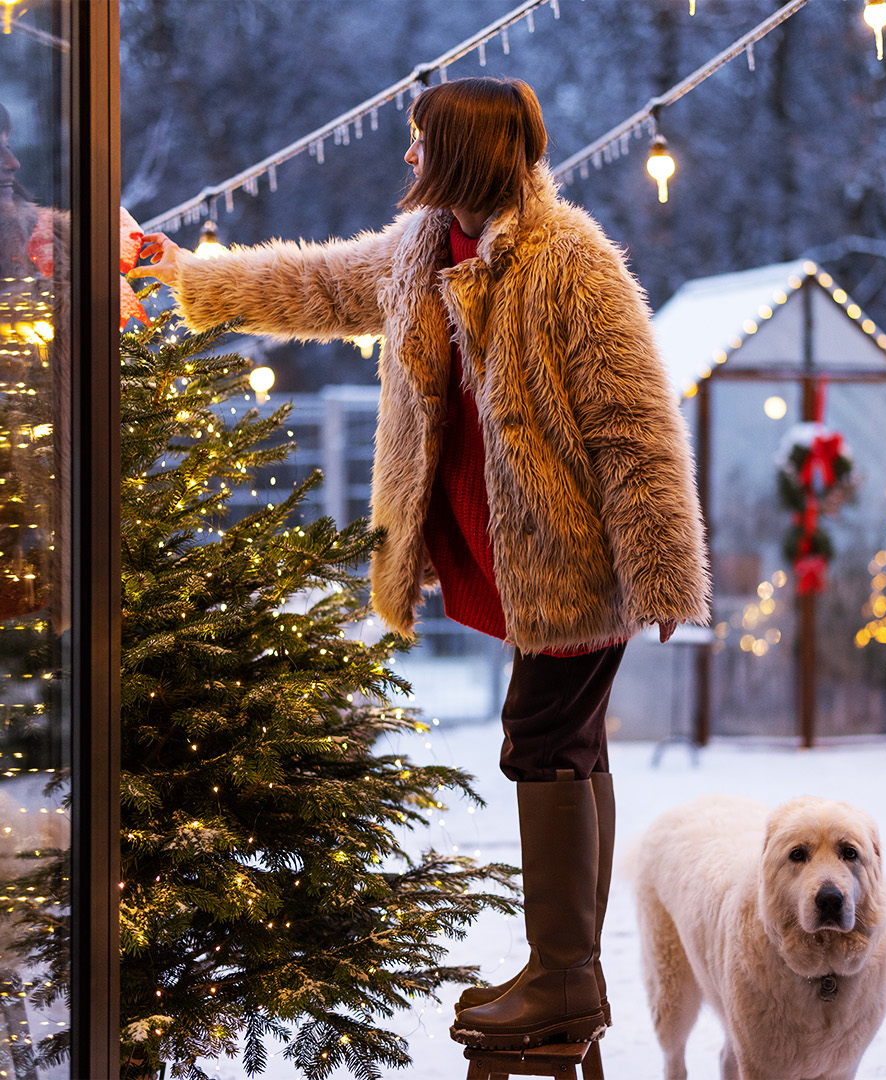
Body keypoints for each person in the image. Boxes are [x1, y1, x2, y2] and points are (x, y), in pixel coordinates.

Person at [133, 76, 710, 1051]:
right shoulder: (421, 250)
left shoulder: (569, 259)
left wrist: (661, 571)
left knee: (541, 738)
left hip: (572, 558)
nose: (407, 157)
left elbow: (634, 421)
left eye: (419, 142)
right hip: (503, 551)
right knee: (570, 745)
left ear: (463, 152)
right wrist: (189, 273)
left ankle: (565, 977)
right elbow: (318, 285)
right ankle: (571, 973)